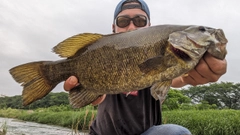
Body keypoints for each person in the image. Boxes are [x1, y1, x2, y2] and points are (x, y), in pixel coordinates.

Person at [64, 0, 227, 134]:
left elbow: (178, 79)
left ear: (149, 26)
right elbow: (97, 98)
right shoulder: (101, 53)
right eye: (123, 21)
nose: (132, 27)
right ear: (113, 28)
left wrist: (190, 76)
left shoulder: (165, 58)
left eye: (140, 21)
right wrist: (93, 95)